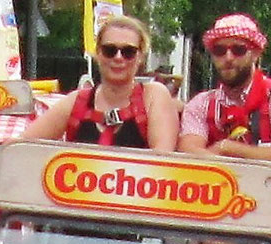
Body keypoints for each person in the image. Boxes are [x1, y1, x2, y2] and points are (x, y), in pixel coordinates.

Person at [178, 13, 271, 175]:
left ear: (256, 53)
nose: (228, 58)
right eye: (219, 50)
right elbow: (188, 152)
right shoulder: (200, 104)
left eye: (238, 50)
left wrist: (226, 148)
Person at [21, 15, 178, 150]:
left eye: (128, 52)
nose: (118, 58)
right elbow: (20, 147)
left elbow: (162, 160)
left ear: (140, 57)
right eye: (109, 50)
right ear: (98, 53)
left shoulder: (153, 96)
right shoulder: (77, 101)